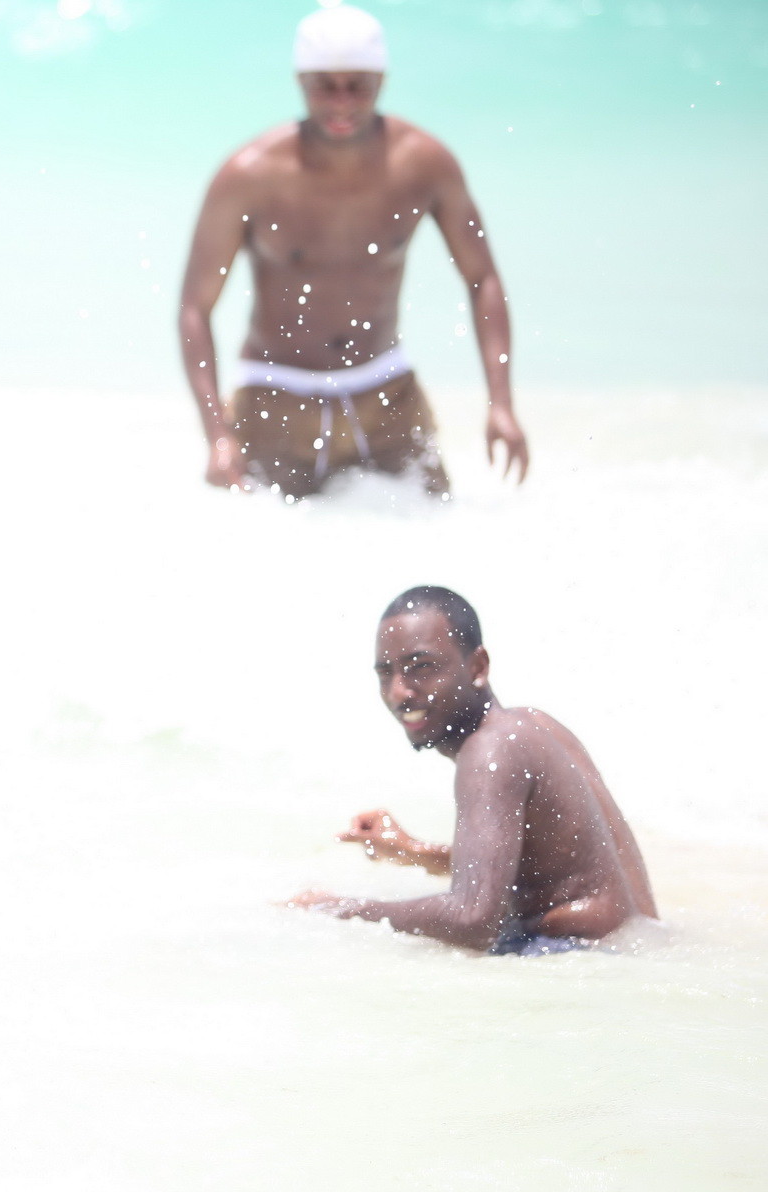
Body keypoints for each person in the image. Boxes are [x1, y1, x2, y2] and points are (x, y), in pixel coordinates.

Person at [178, 3, 529, 499]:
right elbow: (195, 306)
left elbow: (482, 279)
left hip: (387, 398)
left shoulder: (425, 163)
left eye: (357, 85)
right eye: (325, 84)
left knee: (437, 545)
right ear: (300, 80)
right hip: (275, 402)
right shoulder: (249, 176)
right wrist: (217, 435)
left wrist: (501, 404)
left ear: (382, 80)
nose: (341, 102)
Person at [292, 586, 657, 953]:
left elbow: (472, 920)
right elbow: (535, 869)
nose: (399, 692)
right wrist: (414, 851)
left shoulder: (490, 751)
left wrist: (337, 908)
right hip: (635, 948)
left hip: (576, 957)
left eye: (421, 667)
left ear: (478, 666)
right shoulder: (534, 726)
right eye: (386, 673)